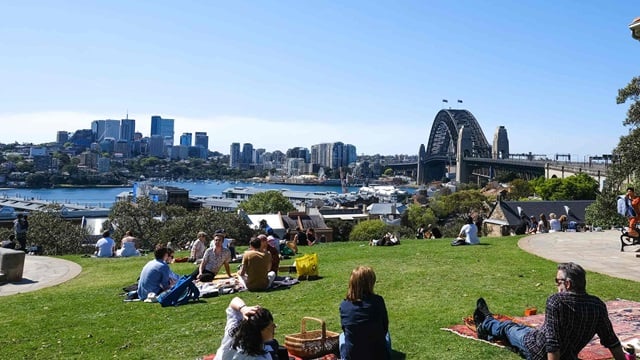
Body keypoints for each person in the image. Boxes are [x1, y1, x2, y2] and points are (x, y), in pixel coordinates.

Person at [473, 262, 625, 360]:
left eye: (557, 281)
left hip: (536, 349)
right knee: (523, 328)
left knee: (509, 327)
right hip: (566, 355)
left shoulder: (556, 301)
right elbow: (610, 339)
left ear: (568, 284)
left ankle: (485, 322)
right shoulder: (597, 304)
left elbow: (552, 343)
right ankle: (488, 329)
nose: (556, 285)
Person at [339, 266, 391, 360]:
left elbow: (345, 328)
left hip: (354, 355)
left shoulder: (344, 305)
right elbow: (384, 327)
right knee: (387, 336)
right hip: (378, 355)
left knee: (342, 336)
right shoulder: (378, 301)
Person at [215, 297, 280, 360]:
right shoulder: (262, 358)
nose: (275, 326)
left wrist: (243, 308)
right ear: (261, 331)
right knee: (274, 345)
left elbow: (234, 300)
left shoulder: (232, 333)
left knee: (273, 344)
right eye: (271, 326)